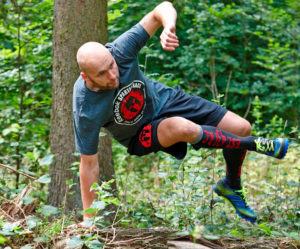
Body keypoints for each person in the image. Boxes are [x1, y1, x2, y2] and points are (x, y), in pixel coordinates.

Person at [73, 1, 289, 223]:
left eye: (112, 65)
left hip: (165, 99)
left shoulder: (120, 50)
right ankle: (255, 144)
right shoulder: (85, 107)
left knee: (242, 128)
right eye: (102, 73)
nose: (112, 75)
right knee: (181, 127)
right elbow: (88, 165)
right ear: (86, 77)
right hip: (141, 134)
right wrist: (89, 220)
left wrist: (169, 26)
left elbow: (161, 9)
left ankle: (231, 185)